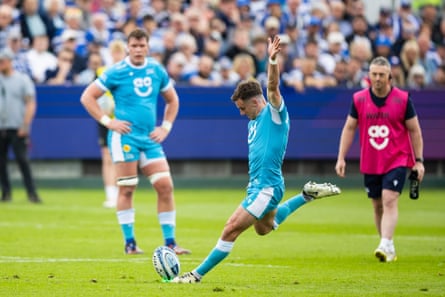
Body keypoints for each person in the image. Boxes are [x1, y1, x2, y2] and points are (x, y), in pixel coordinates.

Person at [171, 36, 341, 284]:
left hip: (267, 188)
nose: (241, 113)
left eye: (242, 108)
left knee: (231, 228)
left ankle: (195, 276)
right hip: (261, 185)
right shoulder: (252, 123)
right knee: (263, 229)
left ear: (255, 102)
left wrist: (272, 60)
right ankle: (306, 195)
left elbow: (272, 87)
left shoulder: (274, 113)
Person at [80, 28, 190, 255]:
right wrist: (107, 121)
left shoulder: (156, 70)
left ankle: (171, 243)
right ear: (128, 47)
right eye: (134, 46)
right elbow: (87, 96)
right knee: (128, 188)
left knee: (165, 186)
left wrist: (166, 127)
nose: (138, 49)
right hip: (125, 138)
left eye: (142, 45)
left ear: (148, 47)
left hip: (150, 139)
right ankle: (130, 243)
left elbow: (173, 100)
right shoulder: (116, 72)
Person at [335, 56, 425, 263]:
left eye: (381, 75)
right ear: (369, 76)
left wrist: (418, 160)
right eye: (374, 74)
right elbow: (349, 128)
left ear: (389, 76)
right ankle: (388, 245)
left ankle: (384, 242)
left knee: (389, 199)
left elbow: (415, 131)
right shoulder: (359, 99)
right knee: (377, 205)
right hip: (371, 160)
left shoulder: (402, 99)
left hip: (397, 158)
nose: (377, 78)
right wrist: (341, 157)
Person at [0, 47, 41, 203]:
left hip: (16, 126)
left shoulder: (22, 79)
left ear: (10, 62)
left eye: (3, 61)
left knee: (22, 161)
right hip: (1, 126)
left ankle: (32, 193)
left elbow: (30, 103)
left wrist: (25, 124)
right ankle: (6, 193)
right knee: (1, 163)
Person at [95, 39, 125, 208]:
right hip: (106, 120)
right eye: (114, 52)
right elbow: (94, 94)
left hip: (122, 120)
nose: (117, 56)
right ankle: (110, 193)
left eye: (119, 52)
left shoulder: (128, 73)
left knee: (120, 157)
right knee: (107, 157)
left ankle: (121, 191)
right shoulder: (102, 71)